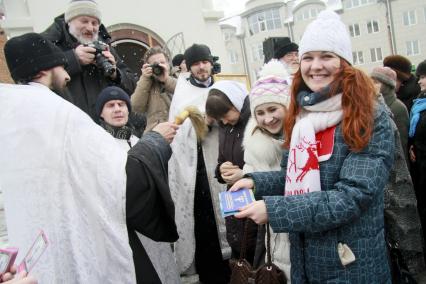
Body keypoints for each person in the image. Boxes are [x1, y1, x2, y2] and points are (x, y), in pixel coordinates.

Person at [230, 10, 395, 282]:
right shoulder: (304, 114)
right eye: (308, 57)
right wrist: (254, 182)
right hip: (306, 257)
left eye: (326, 56)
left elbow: (351, 196)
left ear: (344, 63)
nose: (315, 66)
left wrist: (275, 210)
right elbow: (294, 175)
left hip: (351, 263)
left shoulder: (370, 114)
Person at [1, 32, 178, 284]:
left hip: (39, 254)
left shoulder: (11, 113)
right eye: (60, 61)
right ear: (45, 67)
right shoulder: (57, 112)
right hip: (84, 238)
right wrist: (155, 142)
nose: (66, 67)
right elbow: (120, 179)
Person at [95, 86, 181, 284]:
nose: (117, 109)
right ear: (100, 112)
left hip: (151, 222)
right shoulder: (101, 145)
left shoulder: (137, 140)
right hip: (129, 227)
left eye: (122, 104)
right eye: (110, 105)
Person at [168, 43, 231, 284]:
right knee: (206, 228)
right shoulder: (182, 93)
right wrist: (199, 124)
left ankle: (235, 269)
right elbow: (179, 132)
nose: (202, 67)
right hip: (198, 172)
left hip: (224, 163)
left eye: (205, 61)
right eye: (196, 63)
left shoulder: (223, 87)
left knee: (231, 219)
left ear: (210, 63)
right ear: (189, 67)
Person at [41, 0, 137, 120]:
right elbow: (38, 77)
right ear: (69, 21)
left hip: (105, 128)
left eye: (95, 23)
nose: (90, 28)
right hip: (66, 124)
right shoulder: (48, 44)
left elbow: (133, 85)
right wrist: (73, 58)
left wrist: (116, 74)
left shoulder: (104, 46)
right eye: (84, 21)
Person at [241, 59, 292, 280]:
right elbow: (250, 174)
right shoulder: (254, 144)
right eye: (260, 112)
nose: (267, 118)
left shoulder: (303, 137)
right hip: (273, 233)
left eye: (273, 109)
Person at [205, 80, 260, 267]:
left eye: (226, 115)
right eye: (220, 119)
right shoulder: (225, 126)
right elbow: (222, 160)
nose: (225, 121)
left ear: (236, 104)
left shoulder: (256, 121)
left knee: (257, 256)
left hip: (257, 199)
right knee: (240, 253)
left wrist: (244, 175)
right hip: (235, 201)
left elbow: (270, 166)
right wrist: (221, 170)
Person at [131, 46, 177, 132]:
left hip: (178, 131)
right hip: (156, 134)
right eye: (155, 64)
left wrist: (166, 79)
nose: (159, 66)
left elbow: (184, 93)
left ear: (168, 64)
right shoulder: (146, 83)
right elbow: (136, 107)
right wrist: (145, 79)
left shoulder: (178, 77)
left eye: (162, 62)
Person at [371, 66, 409, 165]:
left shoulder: (398, 107)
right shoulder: (372, 106)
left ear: (387, 86)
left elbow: (402, 144)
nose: (371, 85)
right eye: (371, 81)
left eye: (376, 82)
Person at [409, 60, 426, 244]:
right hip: (421, 166)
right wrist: (413, 146)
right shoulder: (421, 103)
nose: (419, 81)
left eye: (422, 77)